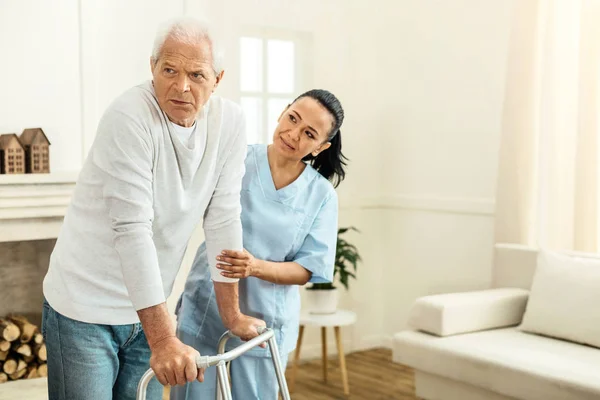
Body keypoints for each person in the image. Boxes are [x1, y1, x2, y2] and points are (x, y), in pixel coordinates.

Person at [41, 17, 265, 400]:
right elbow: (132, 229)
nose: (181, 86)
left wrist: (232, 314)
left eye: (196, 74)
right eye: (169, 70)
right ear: (152, 67)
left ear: (217, 79)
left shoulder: (230, 123)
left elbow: (224, 217)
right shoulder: (128, 117)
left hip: (148, 307)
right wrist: (163, 340)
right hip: (83, 308)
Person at [172, 89, 347, 400]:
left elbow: (308, 269)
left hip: (264, 326)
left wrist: (254, 267)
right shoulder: (237, 158)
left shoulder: (321, 196)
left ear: (322, 147)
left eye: (309, 133)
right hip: (206, 306)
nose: (293, 134)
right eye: (293, 118)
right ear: (282, 112)